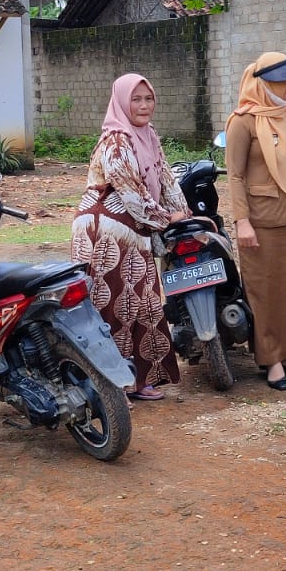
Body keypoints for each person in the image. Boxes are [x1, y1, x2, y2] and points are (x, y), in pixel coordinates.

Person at [71, 74, 191, 402]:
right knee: (111, 309)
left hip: (135, 232)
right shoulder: (116, 140)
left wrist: (184, 213)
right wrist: (166, 220)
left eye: (148, 98)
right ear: (122, 102)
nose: (143, 106)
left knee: (145, 303)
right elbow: (132, 194)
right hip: (104, 233)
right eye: (135, 99)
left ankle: (139, 379)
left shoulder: (148, 136)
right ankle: (110, 388)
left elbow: (166, 179)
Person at [225, 52, 286, 389]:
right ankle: (270, 360)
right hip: (259, 221)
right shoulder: (242, 121)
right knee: (263, 292)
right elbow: (234, 176)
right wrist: (242, 221)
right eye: (284, 79)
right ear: (263, 82)